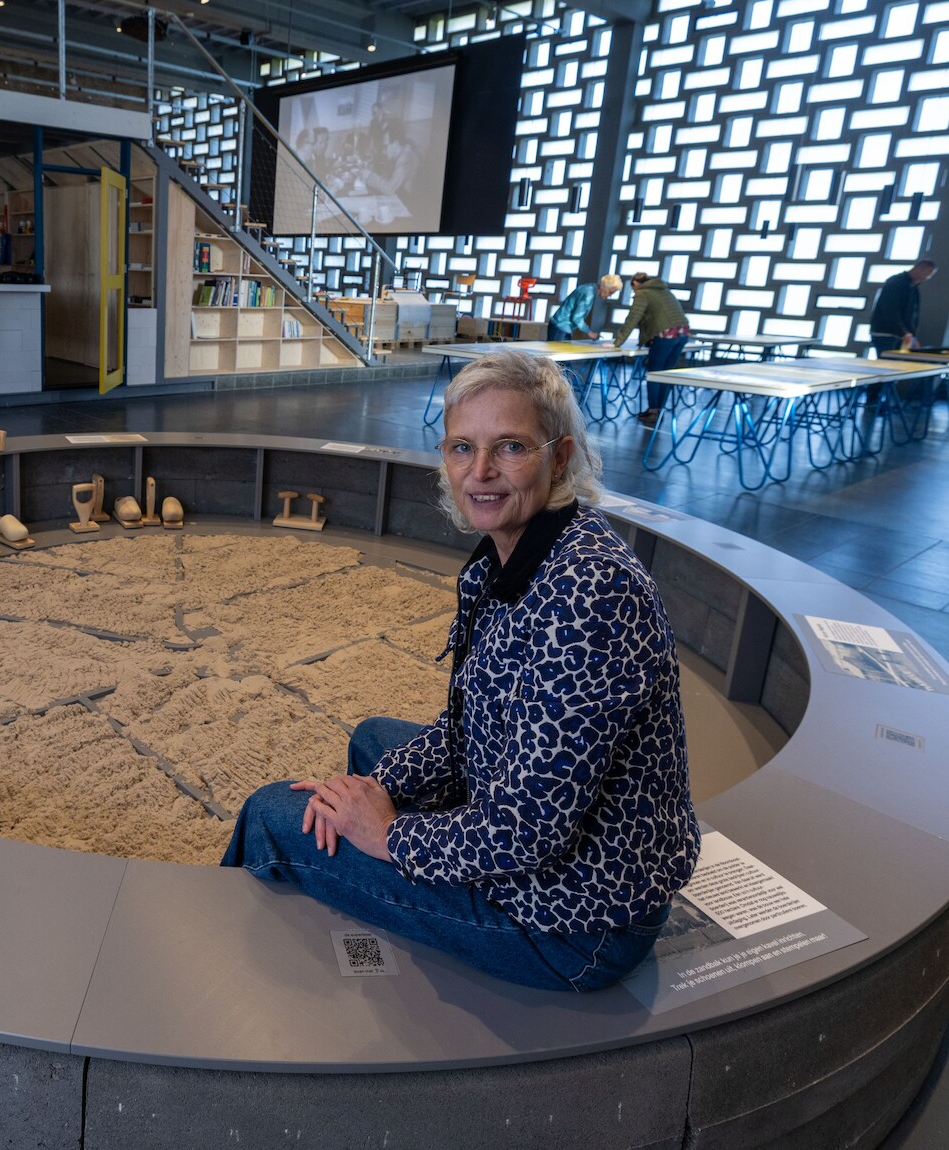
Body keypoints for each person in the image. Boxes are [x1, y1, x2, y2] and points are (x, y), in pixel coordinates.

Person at [222, 350, 700, 992]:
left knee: (272, 814)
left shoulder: (592, 597)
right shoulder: (509, 559)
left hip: (574, 922)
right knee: (373, 744)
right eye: (461, 448)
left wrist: (391, 836)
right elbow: (461, 731)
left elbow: (531, 827)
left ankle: (221, 946)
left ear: (559, 458)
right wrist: (370, 792)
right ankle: (361, 871)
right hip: (537, 839)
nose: (480, 472)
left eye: (510, 447)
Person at [611, 273, 692, 426]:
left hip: (666, 335)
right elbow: (651, 319)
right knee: (665, 374)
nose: (633, 291)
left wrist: (618, 342)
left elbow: (633, 318)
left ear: (636, 283)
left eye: (632, 287)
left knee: (654, 373)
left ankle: (653, 411)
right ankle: (659, 410)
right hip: (683, 333)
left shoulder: (643, 293)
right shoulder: (664, 290)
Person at [869, 259, 937, 356]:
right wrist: (904, 332)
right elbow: (890, 310)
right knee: (887, 366)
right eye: (928, 274)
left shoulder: (914, 288)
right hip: (885, 333)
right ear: (920, 269)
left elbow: (912, 315)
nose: (928, 278)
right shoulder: (896, 282)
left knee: (899, 365)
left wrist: (912, 336)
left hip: (902, 336)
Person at [547, 274, 622, 341]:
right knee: (554, 355)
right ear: (604, 288)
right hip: (561, 326)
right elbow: (577, 318)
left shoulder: (589, 288)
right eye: (610, 292)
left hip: (561, 326)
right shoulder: (589, 294)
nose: (610, 295)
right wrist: (589, 332)